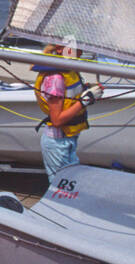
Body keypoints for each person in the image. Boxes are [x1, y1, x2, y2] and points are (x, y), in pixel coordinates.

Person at [33, 43, 102, 183]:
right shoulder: (55, 78)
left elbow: (70, 98)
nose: (81, 53)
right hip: (57, 142)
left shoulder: (69, 71)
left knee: (71, 185)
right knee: (61, 188)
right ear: (60, 49)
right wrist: (85, 101)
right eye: (78, 49)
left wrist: (88, 92)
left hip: (69, 139)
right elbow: (57, 120)